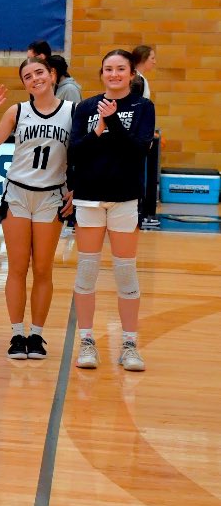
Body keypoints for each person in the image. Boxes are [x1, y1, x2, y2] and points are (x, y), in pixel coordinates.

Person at [0, 58, 73, 360]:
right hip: (18, 194)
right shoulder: (17, 111)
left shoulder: (72, 112)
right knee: (18, 268)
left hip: (51, 197)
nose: (35, 79)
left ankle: (38, 336)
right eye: (28, 76)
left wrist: (77, 187)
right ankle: (17, 333)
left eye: (39, 73)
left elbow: (83, 153)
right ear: (24, 83)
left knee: (43, 269)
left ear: (52, 75)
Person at [69, 49, 156, 372]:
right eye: (109, 69)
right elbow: (75, 151)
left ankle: (130, 344)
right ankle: (87, 341)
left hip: (124, 197)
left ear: (132, 74)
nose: (115, 74)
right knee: (87, 271)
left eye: (121, 69)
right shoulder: (86, 107)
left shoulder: (143, 107)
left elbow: (139, 150)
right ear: (101, 73)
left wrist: (113, 123)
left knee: (125, 271)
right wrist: (97, 128)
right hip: (90, 197)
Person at [131, 44, 160, 230]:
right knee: (137, 177)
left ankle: (139, 213)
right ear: (143, 59)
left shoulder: (141, 79)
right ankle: (139, 214)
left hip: (139, 138)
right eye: (152, 58)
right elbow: (135, 110)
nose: (155, 62)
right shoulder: (137, 80)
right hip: (135, 141)